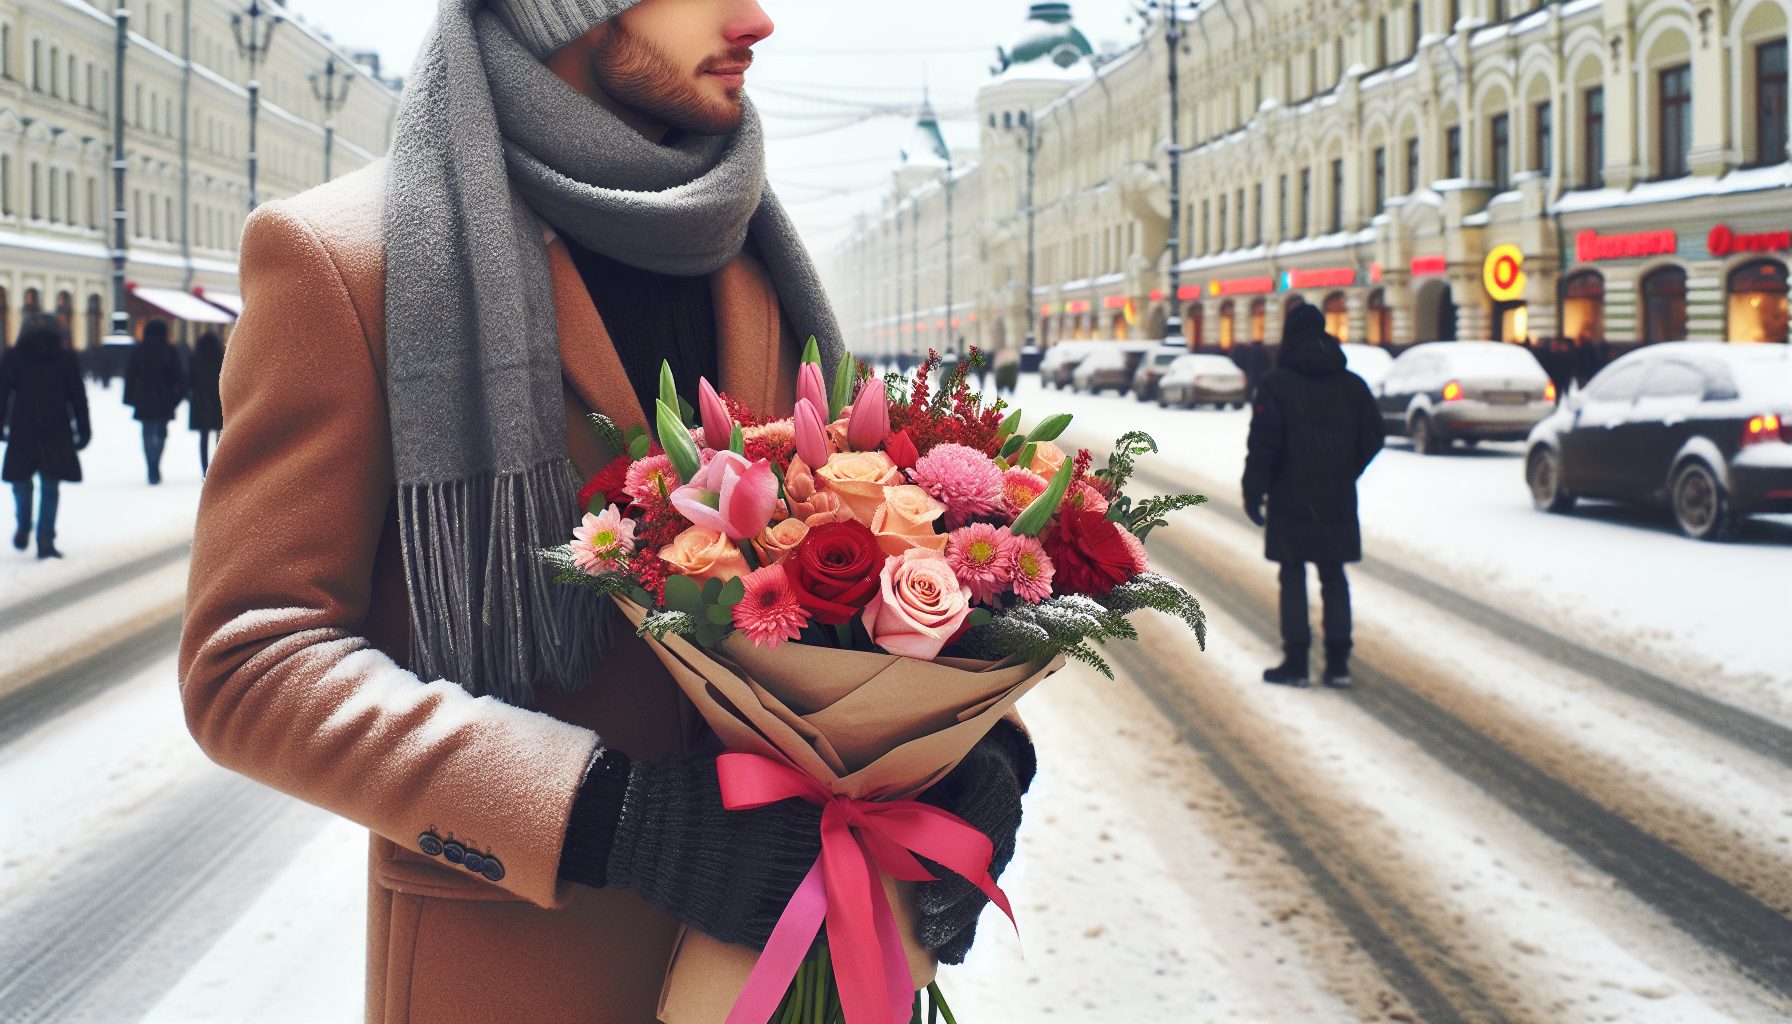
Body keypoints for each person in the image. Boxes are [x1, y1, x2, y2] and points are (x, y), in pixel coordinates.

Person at [176, 2, 1030, 1020]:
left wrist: (983, 756)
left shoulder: (748, 258)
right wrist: (611, 819)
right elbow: (251, 660)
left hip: (793, 953)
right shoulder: (344, 259)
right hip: (519, 972)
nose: (755, 21)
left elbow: (871, 538)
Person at [1242, 304, 1384, 688]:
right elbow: (1374, 436)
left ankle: (1297, 661)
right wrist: (1344, 468)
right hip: (1336, 495)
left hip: (1289, 495)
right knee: (1334, 575)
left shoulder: (1276, 385)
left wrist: (1254, 489)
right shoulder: (1352, 384)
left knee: (1293, 574)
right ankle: (1338, 662)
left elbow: (1263, 446)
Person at [2, 313, 90, 559]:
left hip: (23, 428)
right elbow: (77, 396)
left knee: (21, 482)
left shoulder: (15, 356)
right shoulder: (65, 357)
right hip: (56, 428)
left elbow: (3, 393)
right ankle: (45, 540)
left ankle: (23, 525)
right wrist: (83, 428)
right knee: (51, 486)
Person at [123, 318, 185, 485]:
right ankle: (156, 464)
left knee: (147, 433)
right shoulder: (170, 350)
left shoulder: (139, 350)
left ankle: (151, 466)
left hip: (144, 397)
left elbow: (131, 375)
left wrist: (129, 398)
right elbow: (179, 378)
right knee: (161, 433)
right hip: (164, 398)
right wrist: (175, 399)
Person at [187, 330, 224, 475]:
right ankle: (217, 469)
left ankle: (205, 469)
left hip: (200, 402)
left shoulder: (195, 358)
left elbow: (189, 381)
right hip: (218, 401)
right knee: (219, 437)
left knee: (203, 438)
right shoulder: (222, 358)